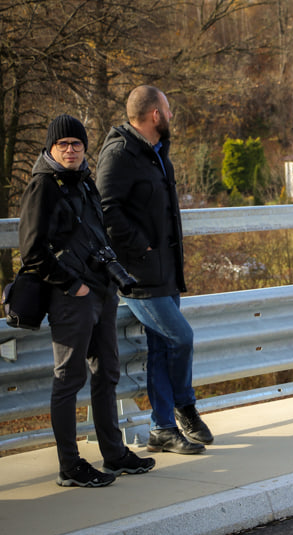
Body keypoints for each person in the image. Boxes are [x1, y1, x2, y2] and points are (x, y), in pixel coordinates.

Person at [18, 114, 155, 487]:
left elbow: (98, 234)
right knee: (69, 379)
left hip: (101, 292)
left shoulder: (84, 182)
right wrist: (71, 284)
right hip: (71, 297)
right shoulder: (42, 187)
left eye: (76, 144)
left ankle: (114, 454)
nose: (70, 150)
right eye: (63, 144)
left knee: (107, 372)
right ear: (50, 148)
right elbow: (31, 250)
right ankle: (70, 466)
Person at [97, 86, 212, 454]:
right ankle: (185, 408)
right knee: (182, 337)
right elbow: (106, 209)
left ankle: (162, 428)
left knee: (162, 348)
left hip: (165, 271)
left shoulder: (158, 154)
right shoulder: (119, 154)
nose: (172, 115)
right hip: (139, 277)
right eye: (168, 109)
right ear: (155, 115)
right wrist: (140, 246)